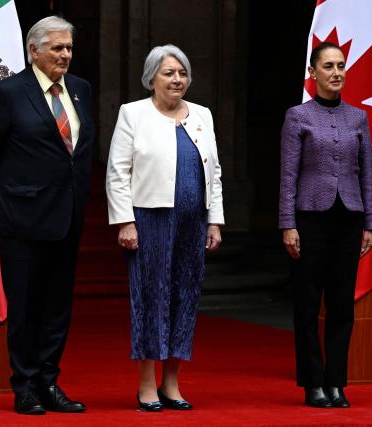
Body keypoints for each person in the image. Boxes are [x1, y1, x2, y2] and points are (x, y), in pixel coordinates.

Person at [0, 16, 94, 415]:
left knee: (57, 306)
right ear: (34, 50)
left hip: (68, 217)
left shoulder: (79, 90)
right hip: (22, 220)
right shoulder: (8, 93)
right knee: (25, 306)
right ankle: (24, 386)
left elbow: (79, 153)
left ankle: (49, 381)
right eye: (57, 48)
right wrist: (10, 199)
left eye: (69, 48)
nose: (65, 55)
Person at [106, 44, 224, 412]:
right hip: (149, 220)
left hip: (193, 221)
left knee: (184, 297)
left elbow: (214, 174)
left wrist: (215, 220)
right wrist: (125, 220)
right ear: (151, 78)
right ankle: (146, 384)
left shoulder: (202, 114)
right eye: (169, 73)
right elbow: (117, 173)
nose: (177, 79)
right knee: (151, 296)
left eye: (182, 73)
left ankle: (172, 383)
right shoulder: (133, 114)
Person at [278, 41, 372, 409]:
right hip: (310, 220)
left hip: (349, 219)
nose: (336, 73)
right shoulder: (297, 116)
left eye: (340, 66)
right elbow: (288, 175)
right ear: (313, 72)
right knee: (307, 305)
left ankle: (337, 382)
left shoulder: (357, 117)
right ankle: (312, 383)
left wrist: (371, 222)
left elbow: (366, 173)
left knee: (342, 306)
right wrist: (287, 224)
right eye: (328, 66)